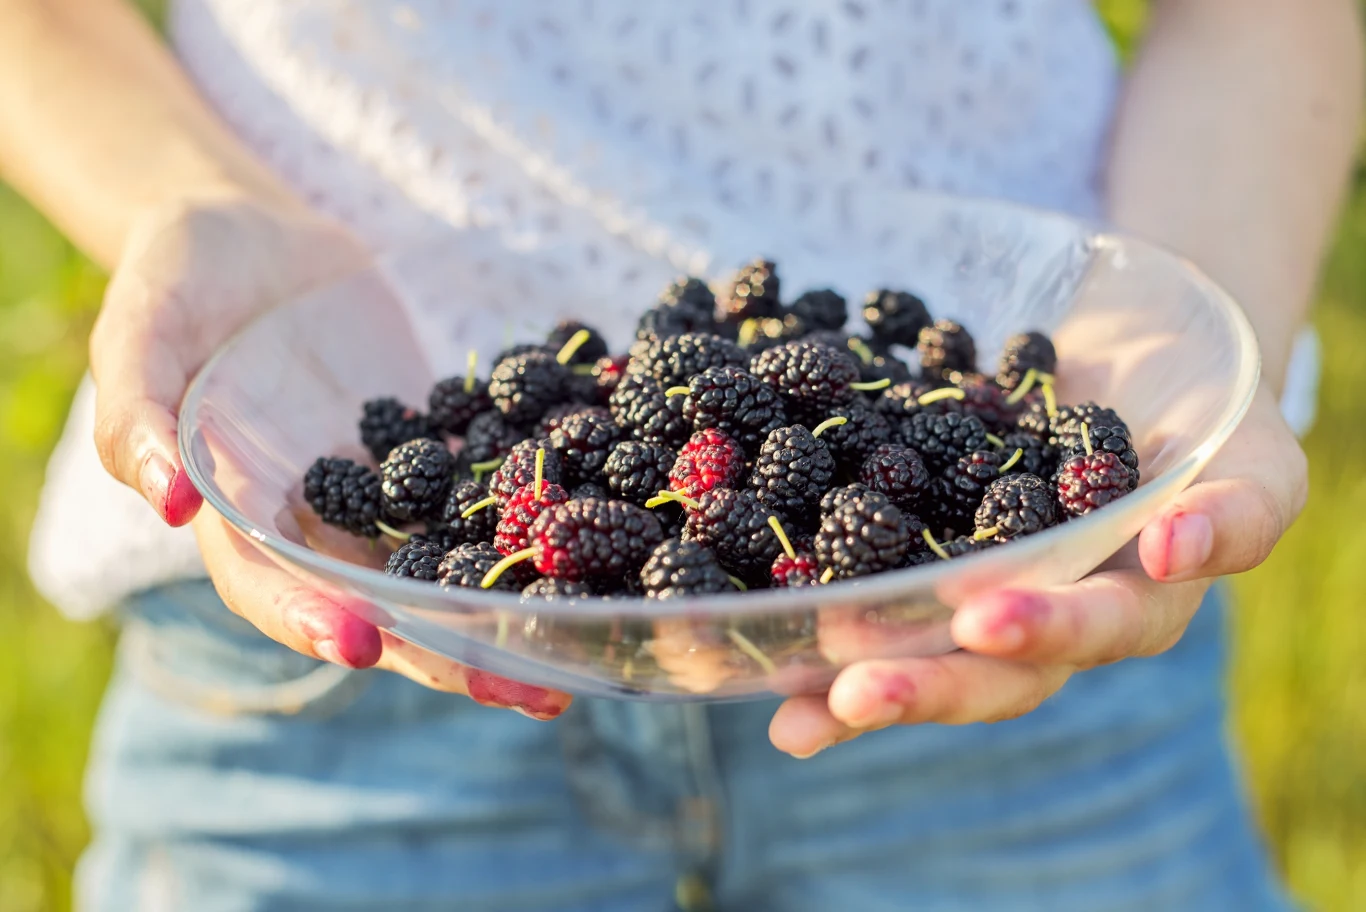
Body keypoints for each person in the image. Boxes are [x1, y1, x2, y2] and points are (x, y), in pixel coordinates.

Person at [2, 0, 1358, 908]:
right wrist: (196, 202)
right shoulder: (482, 483)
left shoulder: (925, 457)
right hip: (345, 632)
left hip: (1008, 627)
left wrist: (1183, 312)